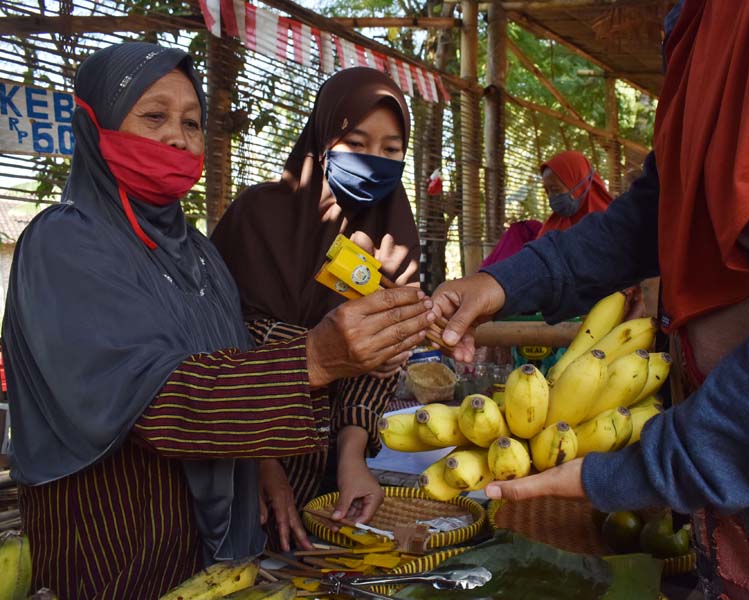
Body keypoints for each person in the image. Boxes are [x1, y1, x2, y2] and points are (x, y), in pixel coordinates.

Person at [3, 43, 434, 599]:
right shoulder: (64, 243)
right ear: (96, 123)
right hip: (114, 541)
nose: (178, 138)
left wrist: (262, 462)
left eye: (191, 122)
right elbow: (154, 401)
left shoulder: (198, 254)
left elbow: (230, 358)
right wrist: (314, 357)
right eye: (154, 116)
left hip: (214, 542)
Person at [431, 2, 749, 598]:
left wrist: (665, 462)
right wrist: (508, 282)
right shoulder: (698, 26)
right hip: (718, 456)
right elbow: (660, 207)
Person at [211, 67, 420, 552]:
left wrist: (352, 455)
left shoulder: (393, 237)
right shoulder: (255, 217)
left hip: (327, 474)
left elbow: (377, 364)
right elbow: (218, 340)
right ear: (323, 140)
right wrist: (260, 459)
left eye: (391, 150)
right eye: (357, 142)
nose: (374, 160)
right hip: (235, 456)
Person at [536, 150, 613, 239]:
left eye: (555, 189)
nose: (550, 196)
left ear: (581, 186)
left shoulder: (610, 225)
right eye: (547, 190)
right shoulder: (551, 228)